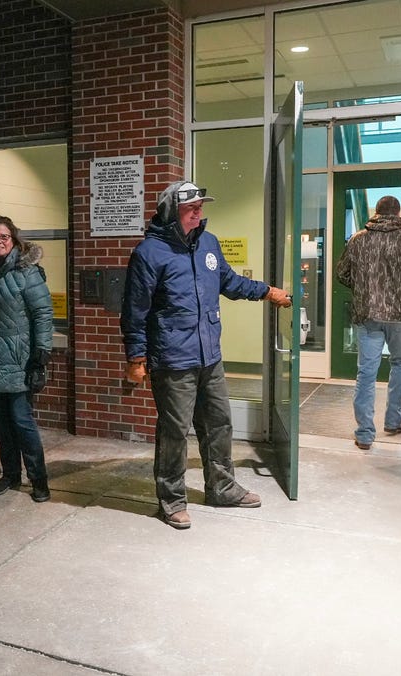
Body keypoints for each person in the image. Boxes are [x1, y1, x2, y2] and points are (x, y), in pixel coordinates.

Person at [121, 181, 292, 530]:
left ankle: (222, 488)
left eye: (201, 206)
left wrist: (266, 291)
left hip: (209, 355)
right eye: (191, 208)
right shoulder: (149, 253)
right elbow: (135, 311)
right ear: (171, 211)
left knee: (219, 424)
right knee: (174, 432)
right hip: (172, 360)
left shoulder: (208, 245)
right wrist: (136, 359)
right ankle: (171, 499)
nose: (199, 212)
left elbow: (229, 282)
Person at [335, 195, 401, 451]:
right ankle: (393, 420)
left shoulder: (358, 239)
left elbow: (342, 273)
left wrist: (363, 289)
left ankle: (365, 434)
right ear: (398, 213)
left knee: (366, 373)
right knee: (400, 364)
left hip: (367, 314)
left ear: (375, 212)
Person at [0, 216, 54, 503]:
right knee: (2, 423)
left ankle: (39, 479)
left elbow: (43, 314)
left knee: (22, 422)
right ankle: (11, 475)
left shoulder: (26, 272)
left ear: (14, 240)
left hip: (21, 361)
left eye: (4, 237)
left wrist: (41, 357)